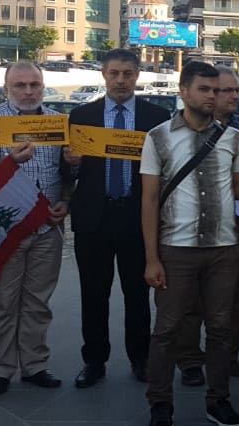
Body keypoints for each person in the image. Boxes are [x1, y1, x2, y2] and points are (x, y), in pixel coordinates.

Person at [139, 61, 239, 426]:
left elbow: (236, 187)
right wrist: (151, 258)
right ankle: (160, 403)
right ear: (184, 91)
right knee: (167, 329)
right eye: (204, 89)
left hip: (223, 248)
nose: (212, 97)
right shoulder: (158, 137)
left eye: (216, 91)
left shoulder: (232, 138)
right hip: (177, 248)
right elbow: (149, 199)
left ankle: (219, 400)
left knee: (220, 328)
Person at [64, 49, 171, 389]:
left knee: (137, 293)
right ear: (104, 75)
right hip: (93, 217)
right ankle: (94, 360)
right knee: (93, 293)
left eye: (127, 73)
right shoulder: (82, 115)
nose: (121, 80)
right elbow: (68, 171)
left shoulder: (157, 117)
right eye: (114, 73)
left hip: (137, 216)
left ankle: (140, 358)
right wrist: (72, 163)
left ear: (137, 75)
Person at [0, 62, 68, 396]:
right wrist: (9, 161)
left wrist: (65, 200)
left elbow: (65, 171)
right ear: (6, 88)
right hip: (5, 228)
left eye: (34, 84)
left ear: (43, 86)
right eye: (20, 85)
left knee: (38, 302)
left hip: (47, 228)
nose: (28, 91)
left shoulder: (58, 122)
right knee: (2, 303)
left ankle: (35, 365)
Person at [175, 67, 239, 387]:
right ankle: (191, 361)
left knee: (236, 294)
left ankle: (228, 357)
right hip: (193, 226)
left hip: (238, 223)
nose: (234, 96)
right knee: (191, 299)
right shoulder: (181, 130)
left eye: (236, 91)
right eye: (225, 90)